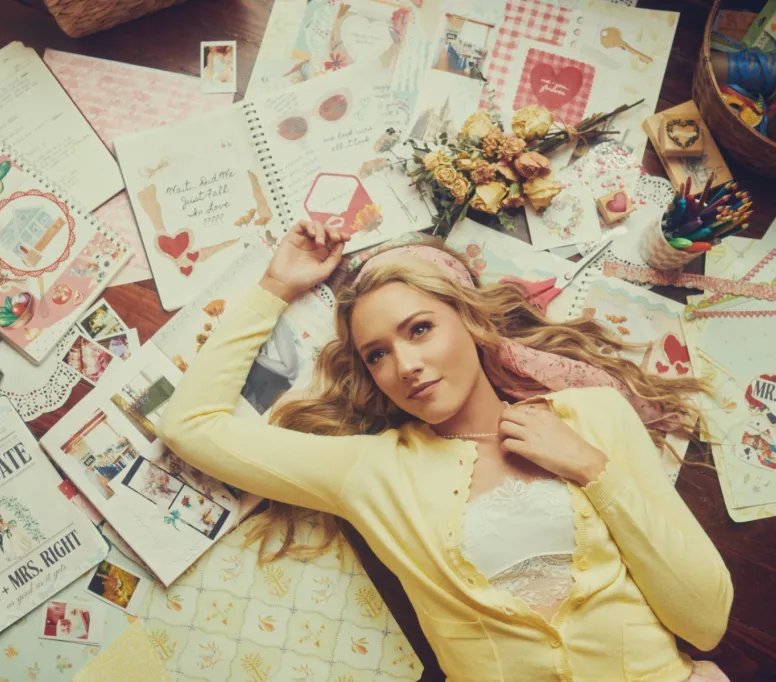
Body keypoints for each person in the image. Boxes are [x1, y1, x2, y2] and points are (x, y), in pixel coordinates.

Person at [157, 220, 733, 681]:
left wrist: (593, 470)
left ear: (469, 320)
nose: (405, 365)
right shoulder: (372, 473)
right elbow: (191, 425)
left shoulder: (593, 415)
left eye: (419, 329)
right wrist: (276, 286)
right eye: (377, 355)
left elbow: (706, 622)